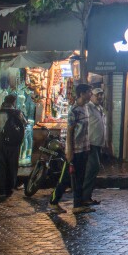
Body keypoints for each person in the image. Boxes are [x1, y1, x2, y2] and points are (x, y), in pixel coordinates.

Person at [50, 84, 94, 214]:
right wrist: (69, 151)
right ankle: (53, 201)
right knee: (66, 178)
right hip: (75, 150)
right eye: (89, 92)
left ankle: (77, 205)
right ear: (81, 94)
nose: (90, 95)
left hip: (84, 149)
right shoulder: (74, 110)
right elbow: (69, 132)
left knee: (80, 177)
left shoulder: (85, 108)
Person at [0, 95, 27, 198]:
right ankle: (9, 189)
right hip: (13, 143)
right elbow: (25, 123)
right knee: (12, 165)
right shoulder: (18, 113)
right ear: (14, 102)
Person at [82, 88, 107, 206]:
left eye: (101, 95)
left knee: (93, 169)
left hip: (98, 144)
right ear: (91, 96)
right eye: (98, 95)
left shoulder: (100, 109)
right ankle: (84, 196)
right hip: (90, 143)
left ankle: (86, 196)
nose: (100, 97)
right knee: (93, 168)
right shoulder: (88, 108)